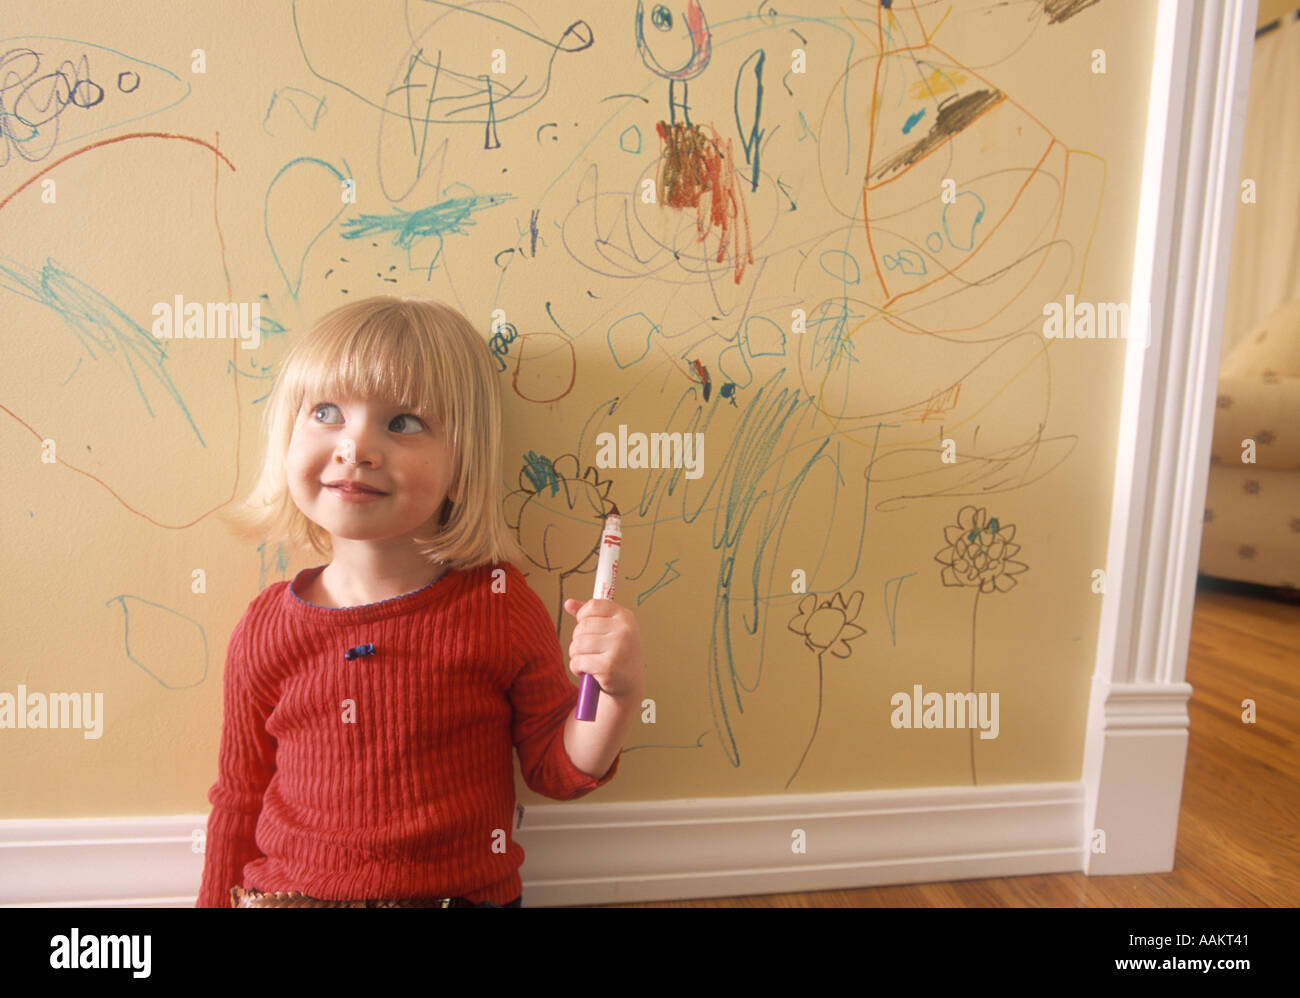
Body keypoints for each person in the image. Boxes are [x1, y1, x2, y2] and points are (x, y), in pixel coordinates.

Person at [195, 296, 643, 907]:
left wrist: (616, 693)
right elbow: (239, 797)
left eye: (403, 423)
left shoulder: (498, 602)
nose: (356, 447)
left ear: (462, 464)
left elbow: (556, 771)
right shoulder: (266, 626)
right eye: (326, 411)